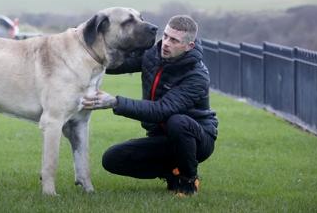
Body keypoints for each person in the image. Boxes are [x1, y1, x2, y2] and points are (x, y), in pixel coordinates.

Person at [82, 15, 218, 197]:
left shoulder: (197, 76)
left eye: (174, 40)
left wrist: (114, 102)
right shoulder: (153, 54)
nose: (166, 43)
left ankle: (188, 179)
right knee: (112, 159)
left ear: (189, 46)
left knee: (178, 122)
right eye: (166, 36)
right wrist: (86, 53)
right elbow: (116, 65)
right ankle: (172, 173)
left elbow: (160, 110)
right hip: (161, 137)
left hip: (197, 139)